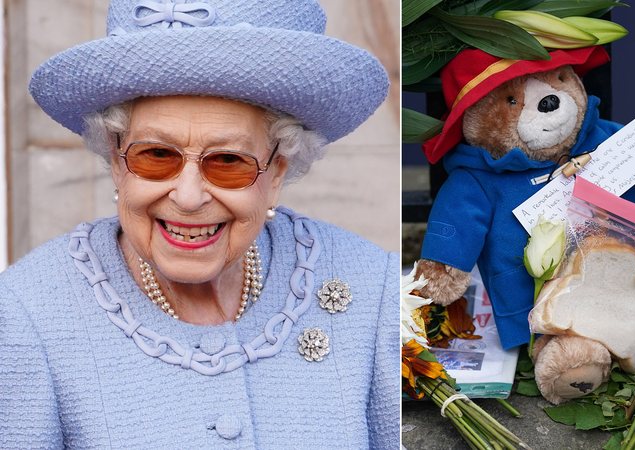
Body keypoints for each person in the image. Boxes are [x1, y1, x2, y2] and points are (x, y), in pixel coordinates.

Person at [0, 1, 399, 448]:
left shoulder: (373, 287)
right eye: (156, 156)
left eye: (228, 161)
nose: (188, 197)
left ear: (279, 170)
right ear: (116, 159)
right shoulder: (25, 312)